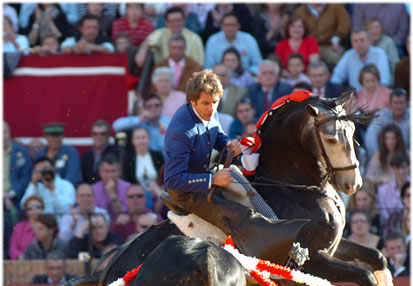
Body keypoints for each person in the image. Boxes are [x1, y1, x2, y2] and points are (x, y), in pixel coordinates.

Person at [163, 69, 300, 260]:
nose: (211, 109)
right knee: (241, 216)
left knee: (251, 190)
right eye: (206, 104)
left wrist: (229, 144)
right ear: (192, 102)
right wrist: (212, 180)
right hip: (187, 193)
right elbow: (172, 180)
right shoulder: (182, 132)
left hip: (208, 175)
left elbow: (218, 136)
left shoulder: (210, 112)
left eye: (215, 102)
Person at [136, 7, 205, 67]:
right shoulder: (159, 34)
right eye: (172, 21)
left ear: (184, 20)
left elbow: (199, 64)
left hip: (187, 74)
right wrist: (143, 51)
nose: (176, 24)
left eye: (179, 20)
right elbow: (147, 44)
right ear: (166, 22)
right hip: (164, 75)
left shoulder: (195, 38)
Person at [20, 156, 76, 224]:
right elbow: (24, 206)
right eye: (41, 171)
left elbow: (66, 210)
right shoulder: (36, 187)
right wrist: (33, 183)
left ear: (53, 168)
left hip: (61, 227)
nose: (46, 173)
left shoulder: (67, 185)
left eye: (47, 169)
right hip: (40, 228)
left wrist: (52, 188)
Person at [293, 3, 351, 68]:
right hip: (308, 46)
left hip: (329, 45)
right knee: (299, 60)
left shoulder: (336, 6)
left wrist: (336, 39)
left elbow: (345, 23)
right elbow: (294, 28)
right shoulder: (300, 11)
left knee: (337, 57)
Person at [364, 88, 410, 160]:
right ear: (390, 104)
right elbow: (370, 136)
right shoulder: (381, 115)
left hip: (408, 158)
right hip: (385, 158)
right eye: (396, 103)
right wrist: (377, 156)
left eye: (401, 102)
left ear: (407, 104)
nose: (398, 106)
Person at [34, 122, 82, 187]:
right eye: (52, 136)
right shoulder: (40, 155)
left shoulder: (71, 153)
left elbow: (72, 178)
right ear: (46, 137)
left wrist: (54, 187)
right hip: (43, 192)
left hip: (65, 192)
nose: (55, 139)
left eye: (58, 136)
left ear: (62, 136)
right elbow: (36, 176)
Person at [122, 126, 164, 194]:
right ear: (133, 141)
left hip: (158, 194)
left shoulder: (158, 155)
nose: (141, 141)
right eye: (137, 138)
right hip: (137, 196)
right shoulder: (127, 159)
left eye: (143, 137)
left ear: (149, 139)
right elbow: (126, 181)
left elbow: (163, 176)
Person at [365, 124, 408, 188]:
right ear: (383, 140)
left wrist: (388, 179)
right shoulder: (377, 156)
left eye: (393, 138)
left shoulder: (407, 155)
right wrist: (381, 180)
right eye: (387, 138)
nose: (390, 142)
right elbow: (368, 178)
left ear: (398, 140)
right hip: (382, 192)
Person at [3, 121, 32, 213]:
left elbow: (26, 177)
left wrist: (10, 195)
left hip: (14, 200)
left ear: (10, 133)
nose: (2, 136)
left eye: (5, 132)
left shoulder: (21, 152)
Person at [81, 119, 118, 184]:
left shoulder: (116, 152)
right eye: (95, 134)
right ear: (92, 136)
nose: (99, 137)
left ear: (108, 135)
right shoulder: (86, 155)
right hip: (89, 191)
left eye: (102, 134)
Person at [377, 152, 410, 222]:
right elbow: (384, 214)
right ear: (392, 168)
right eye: (397, 168)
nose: (401, 171)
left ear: (409, 167)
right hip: (392, 227)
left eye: (403, 167)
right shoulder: (383, 190)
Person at [365, 17, 399, 85]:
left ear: (381, 29)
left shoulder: (388, 41)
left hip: (386, 79)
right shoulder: (364, 43)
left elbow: (394, 64)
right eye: (371, 28)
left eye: (377, 28)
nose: (374, 31)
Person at [9, 195, 45, 260]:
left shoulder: (49, 225)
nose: (35, 210)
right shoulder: (19, 227)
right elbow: (13, 248)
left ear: (43, 209)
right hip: (22, 263)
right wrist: (22, 258)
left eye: (38, 207)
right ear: (26, 212)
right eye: (30, 208)